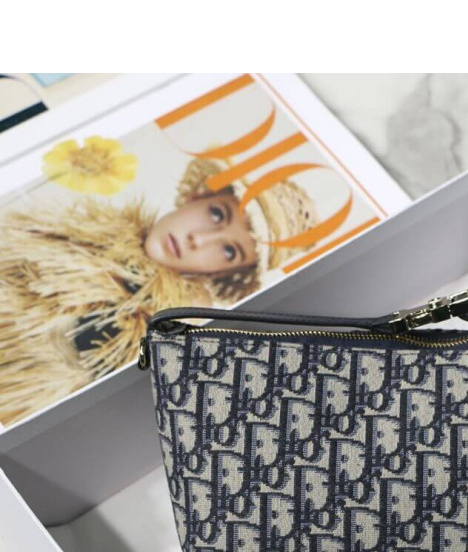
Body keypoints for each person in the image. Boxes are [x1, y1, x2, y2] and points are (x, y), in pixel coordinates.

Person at [0, 157, 318, 426]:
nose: (199, 240)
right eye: (217, 214)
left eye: (229, 251)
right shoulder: (90, 225)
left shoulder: (174, 331)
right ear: (200, 196)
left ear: (224, 272)